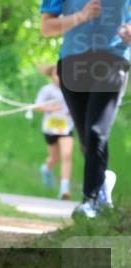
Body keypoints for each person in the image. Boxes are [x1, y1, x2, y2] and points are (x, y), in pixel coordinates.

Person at [40, 0, 129, 218]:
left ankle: (89, 201)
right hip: (74, 65)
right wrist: (79, 17)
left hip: (112, 60)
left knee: (96, 132)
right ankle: (103, 183)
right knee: (86, 140)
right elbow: (47, 27)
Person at [34, 64, 75, 200]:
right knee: (55, 158)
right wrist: (50, 108)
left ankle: (64, 189)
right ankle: (46, 169)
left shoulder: (72, 90)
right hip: (50, 128)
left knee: (67, 155)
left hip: (66, 128)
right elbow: (37, 106)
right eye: (56, 74)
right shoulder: (47, 90)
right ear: (51, 75)